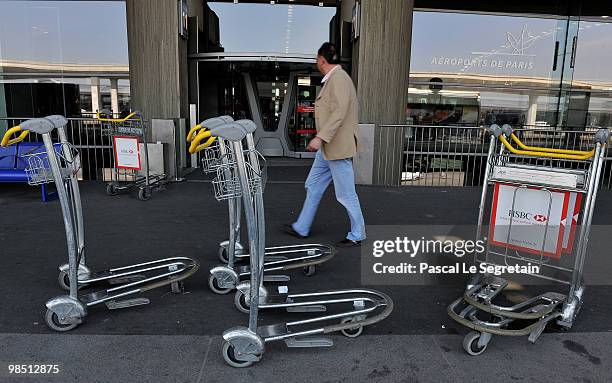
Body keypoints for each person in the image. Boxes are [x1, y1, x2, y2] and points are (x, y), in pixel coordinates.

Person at [285, 42, 365, 248]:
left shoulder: (338, 78)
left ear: (322, 59)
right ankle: (302, 226)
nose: (316, 62)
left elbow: (339, 112)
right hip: (328, 148)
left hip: (336, 147)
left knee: (346, 194)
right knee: (313, 185)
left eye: (316, 59)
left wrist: (320, 137)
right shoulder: (333, 79)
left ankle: (358, 233)